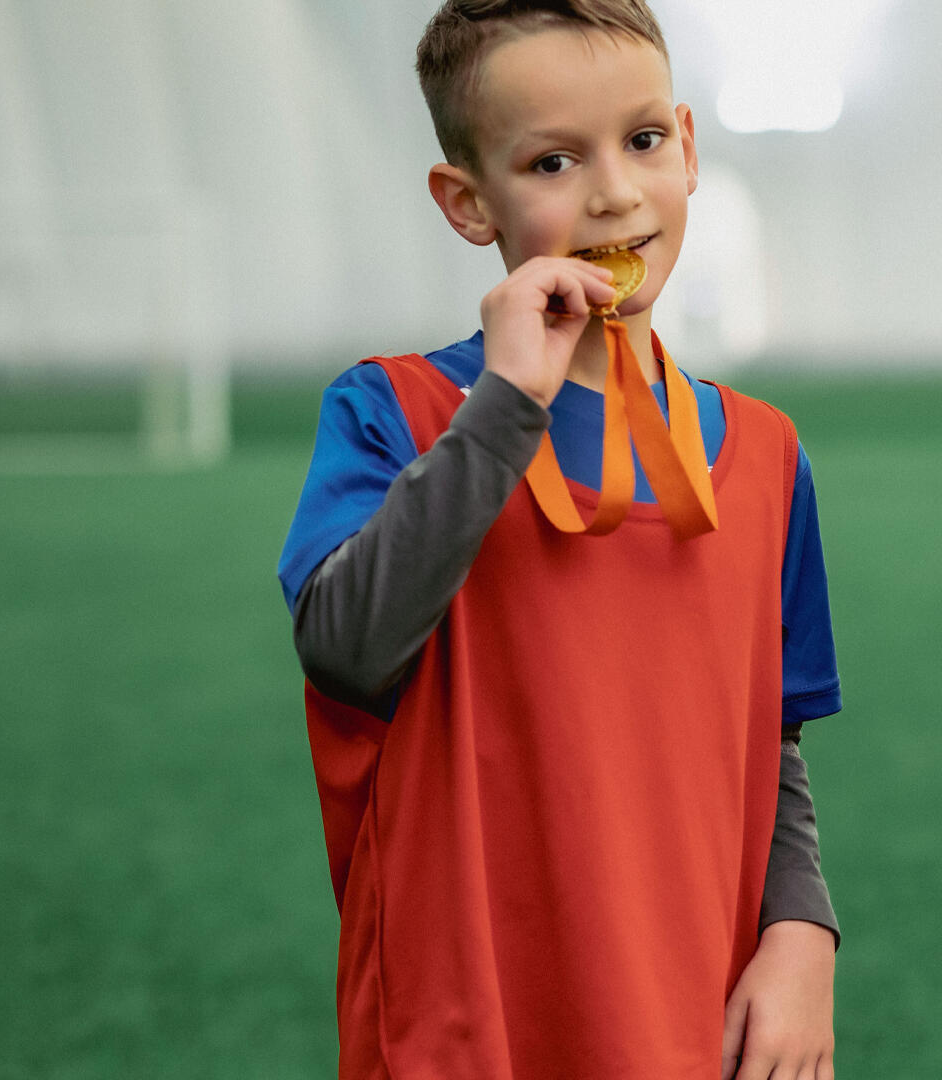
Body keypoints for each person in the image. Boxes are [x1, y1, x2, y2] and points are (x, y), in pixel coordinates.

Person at [276, 3, 840, 1076]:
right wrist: (506, 406)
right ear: (468, 202)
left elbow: (772, 741)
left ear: (688, 145)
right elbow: (345, 648)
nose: (614, 192)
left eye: (643, 140)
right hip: (469, 1028)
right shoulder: (393, 411)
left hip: (690, 1014)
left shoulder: (765, 453)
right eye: (552, 161)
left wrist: (801, 933)